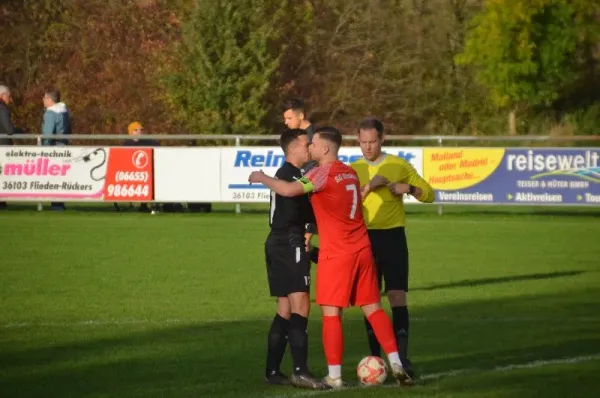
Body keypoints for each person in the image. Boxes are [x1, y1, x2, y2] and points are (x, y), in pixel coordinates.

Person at [248, 126, 413, 389]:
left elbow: (289, 191)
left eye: (313, 143)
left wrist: (262, 177)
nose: (310, 146)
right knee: (373, 308)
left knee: (331, 313)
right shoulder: (349, 172)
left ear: (325, 148)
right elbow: (355, 197)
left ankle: (334, 376)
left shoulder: (320, 173)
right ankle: (396, 362)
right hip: (363, 249)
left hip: (337, 254)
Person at [351, 117, 435, 378]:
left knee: (397, 296)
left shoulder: (399, 165)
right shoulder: (352, 169)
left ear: (382, 139)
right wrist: (369, 187)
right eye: (363, 142)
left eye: (372, 142)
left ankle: (402, 359)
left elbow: (430, 194)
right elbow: (347, 205)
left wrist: (409, 188)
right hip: (365, 239)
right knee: (370, 300)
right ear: (358, 141)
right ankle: (377, 359)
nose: (368, 147)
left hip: (394, 238)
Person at [262, 128, 322, 389]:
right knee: (301, 306)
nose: (309, 147)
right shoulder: (292, 176)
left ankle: (272, 371)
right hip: (289, 242)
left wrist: (310, 229)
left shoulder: (289, 174)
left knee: (285, 309)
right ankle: (300, 370)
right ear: (293, 147)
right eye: (306, 143)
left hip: (277, 242)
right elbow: (301, 196)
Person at [42, 89, 72, 211]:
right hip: (63, 146)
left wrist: (44, 149)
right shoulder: (65, 112)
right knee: (61, 176)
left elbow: (48, 134)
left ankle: (56, 204)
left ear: (50, 100)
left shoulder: (50, 113)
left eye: (44, 98)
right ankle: (59, 202)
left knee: (53, 177)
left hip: (53, 148)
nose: (43, 101)